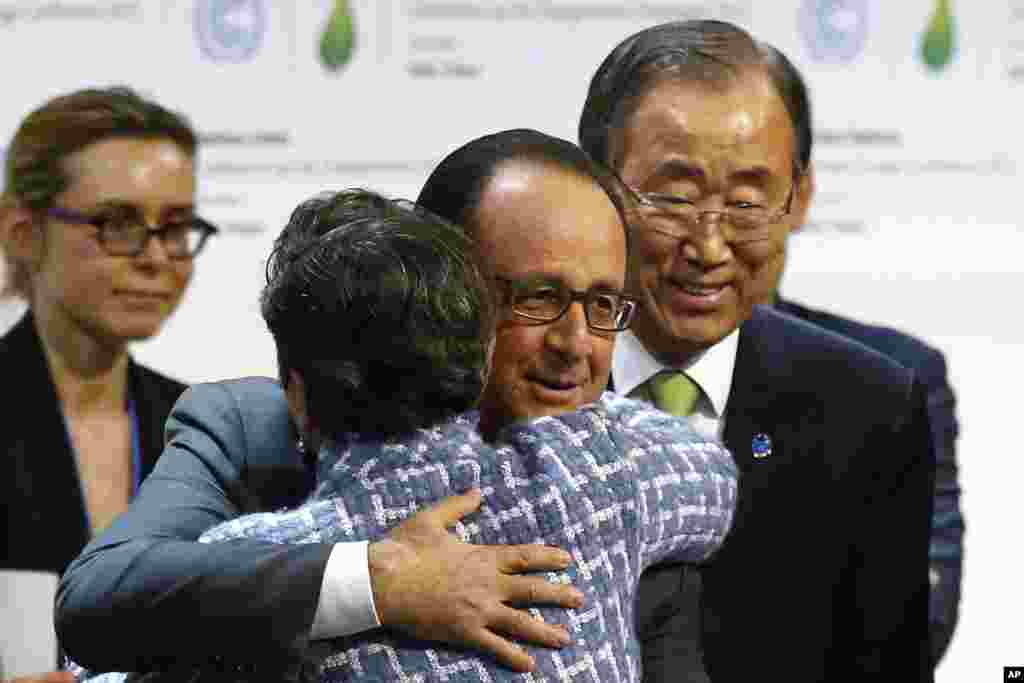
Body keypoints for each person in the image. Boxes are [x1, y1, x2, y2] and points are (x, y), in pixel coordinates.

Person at [54, 129, 643, 675]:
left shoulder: (630, 478)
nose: (576, 344)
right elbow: (99, 598)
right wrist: (375, 580)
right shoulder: (250, 428)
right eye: (539, 296)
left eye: (604, 305)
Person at [578, 20, 935, 681]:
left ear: (798, 198)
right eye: (675, 198)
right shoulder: (506, 383)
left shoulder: (869, 412)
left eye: (746, 203)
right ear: (596, 186)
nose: (710, 247)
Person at [0, 86, 216, 681]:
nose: (155, 257)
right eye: (117, 223)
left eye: (175, 227)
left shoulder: (202, 424)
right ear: (22, 231)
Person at [760, 42, 964, 665]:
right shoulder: (556, 374)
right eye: (679, 190)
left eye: (746, 189)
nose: (709, 234)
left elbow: (916, 620)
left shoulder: (892, 380)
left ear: (800, 194)